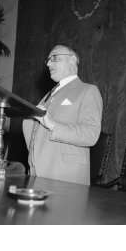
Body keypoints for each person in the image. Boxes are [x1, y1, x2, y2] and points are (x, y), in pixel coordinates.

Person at [22, 45, 103, 185]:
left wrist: (52, 124)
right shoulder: (49, 95)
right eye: (47, 60)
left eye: (54, 58)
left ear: (72, 60)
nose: (48, 64)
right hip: (37, 176)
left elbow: (91, 135)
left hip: (64, 177)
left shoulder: (88, 90)